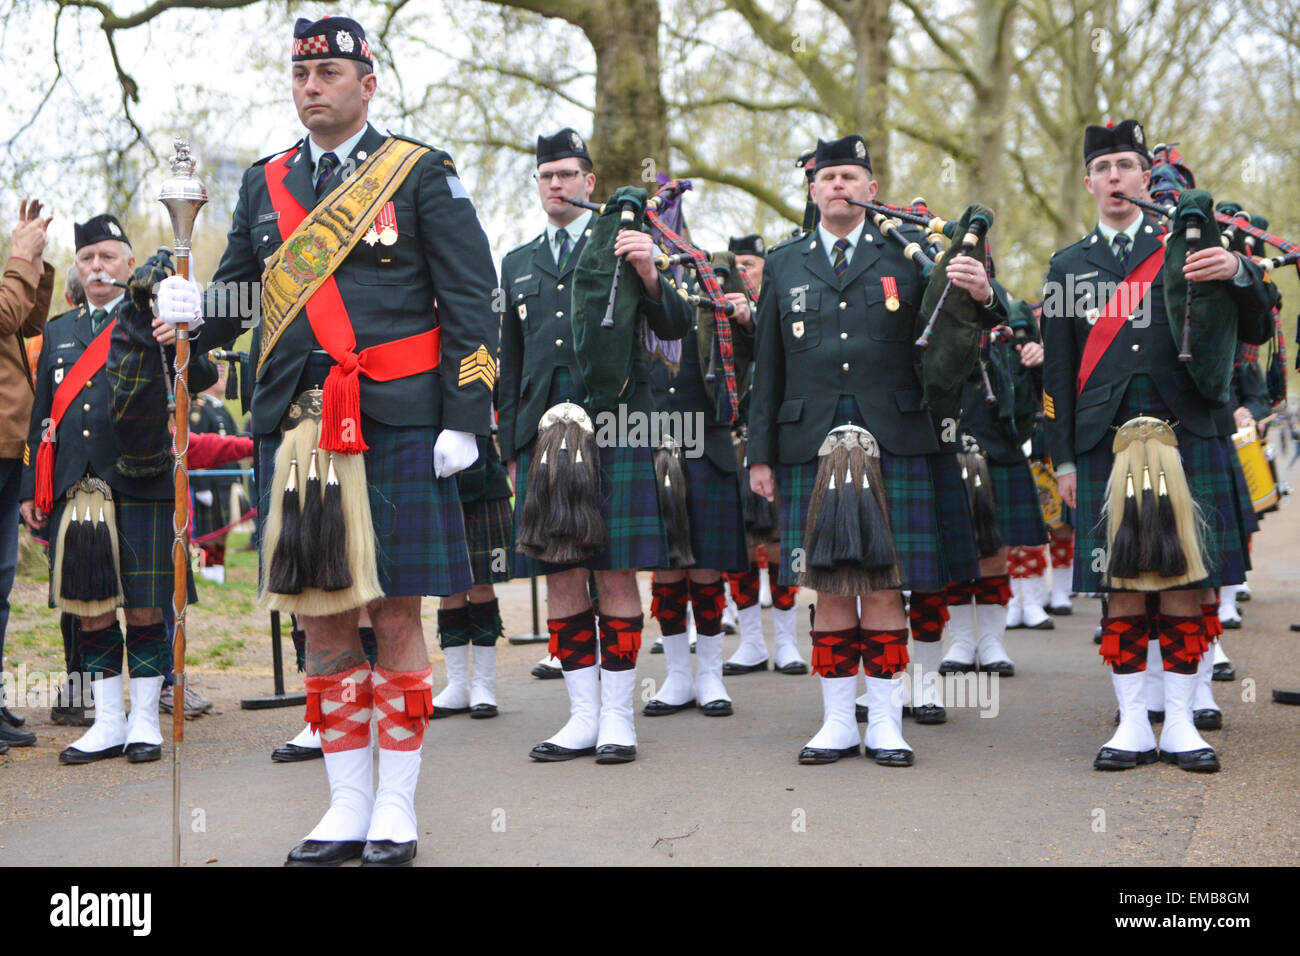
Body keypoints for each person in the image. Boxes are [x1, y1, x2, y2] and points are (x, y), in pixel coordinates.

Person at [159, 15, 498, 865]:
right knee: (324, 618)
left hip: (397, 420)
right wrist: (188, 314)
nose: (311, 87)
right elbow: (240, 299)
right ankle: (346, 801)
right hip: (297, 427)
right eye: (301, 74)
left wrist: (466, 417)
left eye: (328, 74)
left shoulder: (420, 174)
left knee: (395, 610)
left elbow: (471, 301)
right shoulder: (264, 182)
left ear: (367, 82)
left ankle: (396, 803)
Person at [748, 134, 996, 766]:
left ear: (871, 188)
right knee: (830, 588)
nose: (839, 186)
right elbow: (768, 368)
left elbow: (956, 337)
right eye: (828, 177)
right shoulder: (783, 262)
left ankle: (886, 723)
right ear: (812, 189)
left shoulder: (909, 256)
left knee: (886, 587)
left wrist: (983, 295)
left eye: (851, 176)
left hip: (898, 437)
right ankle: (835, 723)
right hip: (809, 440)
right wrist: (762, 454)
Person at [1041, 119, 1272, 773]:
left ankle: (1179, 724)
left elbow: (1257, 323)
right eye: (1103, 167)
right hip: (1101, 444)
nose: (1115, 177)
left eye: (1126, 165)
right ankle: (1134, 724)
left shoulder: (1196, 246)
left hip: (1189, 431)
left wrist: (1238, 270)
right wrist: (1060, 457)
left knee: (1181, 582)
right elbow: (1055, 377)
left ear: (1148, 176)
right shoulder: (1067, 267)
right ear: (1088, 182)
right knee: (1121, 587)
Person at [497, 128, 689, 763]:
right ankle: (581, 716)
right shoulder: (518, 262)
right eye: (546, 175)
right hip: (543, 435)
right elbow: (511, 361)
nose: (556, 185)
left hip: (618, 427)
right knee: (560, 573)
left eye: (567, 174)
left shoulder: (628, 240)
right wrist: (508, 445)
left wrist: (649, 272)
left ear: (589, 184)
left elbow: (673, 330)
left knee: (614, 569)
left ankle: (617, 717)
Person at [21, 214, 209, 766]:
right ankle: (107, 721)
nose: (97, 267)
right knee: (91, 606)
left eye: (107, 256)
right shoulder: (57, 330)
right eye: (87, 259)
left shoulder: (157, 317)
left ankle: (145, 720)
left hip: (143, 476)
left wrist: (185, 334)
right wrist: (38, 485)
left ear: (129, 263)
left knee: (148, 606)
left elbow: (197, 381)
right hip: (80, 486)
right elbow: (42, 417)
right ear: (77, 269)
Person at [642, 239, 753, 718]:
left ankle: (710, 675)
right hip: (647, 438)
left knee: (706, 564)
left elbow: (754, 355)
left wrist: (747, 317)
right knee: (666, 566)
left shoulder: (718, 282)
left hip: (707, 442)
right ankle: (678, 676)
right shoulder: (636, 282)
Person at [723, 233, 809, 677]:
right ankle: (751, 642)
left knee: (779, 546)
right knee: (739, 546)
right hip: (734, 440)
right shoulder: (720, 312)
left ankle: (788, 642)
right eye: (738, 264)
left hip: (774, 441)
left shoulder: (783, 302)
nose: (745, 271)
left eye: (751, 264)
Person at [1, 199, 54, 751]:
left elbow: (28, 323)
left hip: (7, 446)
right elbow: (5, 316)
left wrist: (33, 261)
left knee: (1, 584)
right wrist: (19, 256)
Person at [189, 365, 245, 584]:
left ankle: (216, 568)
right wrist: (201, 486)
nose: (223, 379)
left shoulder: (220, 408)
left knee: (221, 531)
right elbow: (196, 449)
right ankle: (200, 570)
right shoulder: (200, 408)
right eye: (218, 375)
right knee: (204, 534)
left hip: (225, 481)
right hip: (209, 482)